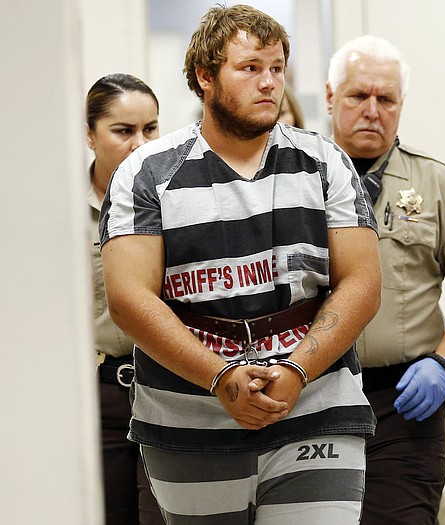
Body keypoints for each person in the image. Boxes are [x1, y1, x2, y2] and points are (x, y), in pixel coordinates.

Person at [99, 5, 381, 525]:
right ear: (206, 77)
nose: (269, 83)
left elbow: (362, 282)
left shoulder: (325, 162)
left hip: (315, 401)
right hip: (188, 418)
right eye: (250, 68)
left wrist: (298, 369)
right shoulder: (147, 173)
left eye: (277, 68)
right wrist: (219, 377)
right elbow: (128, 298)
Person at [326, 35, 445, 524]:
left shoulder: (437, 184)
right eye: (357, 96)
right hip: (313, 399)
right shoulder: (294, 181)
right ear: (329, 97)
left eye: (385, 99)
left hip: (404, 405)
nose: (372, 110)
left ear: (401, 105)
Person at [86, 73, 165, 525]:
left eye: (150, 129)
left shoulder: (176, 201)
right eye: (123, 131)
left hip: (165, 389)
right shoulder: (58, 209)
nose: (140, 144)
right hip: (96, 397)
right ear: (90, 135)